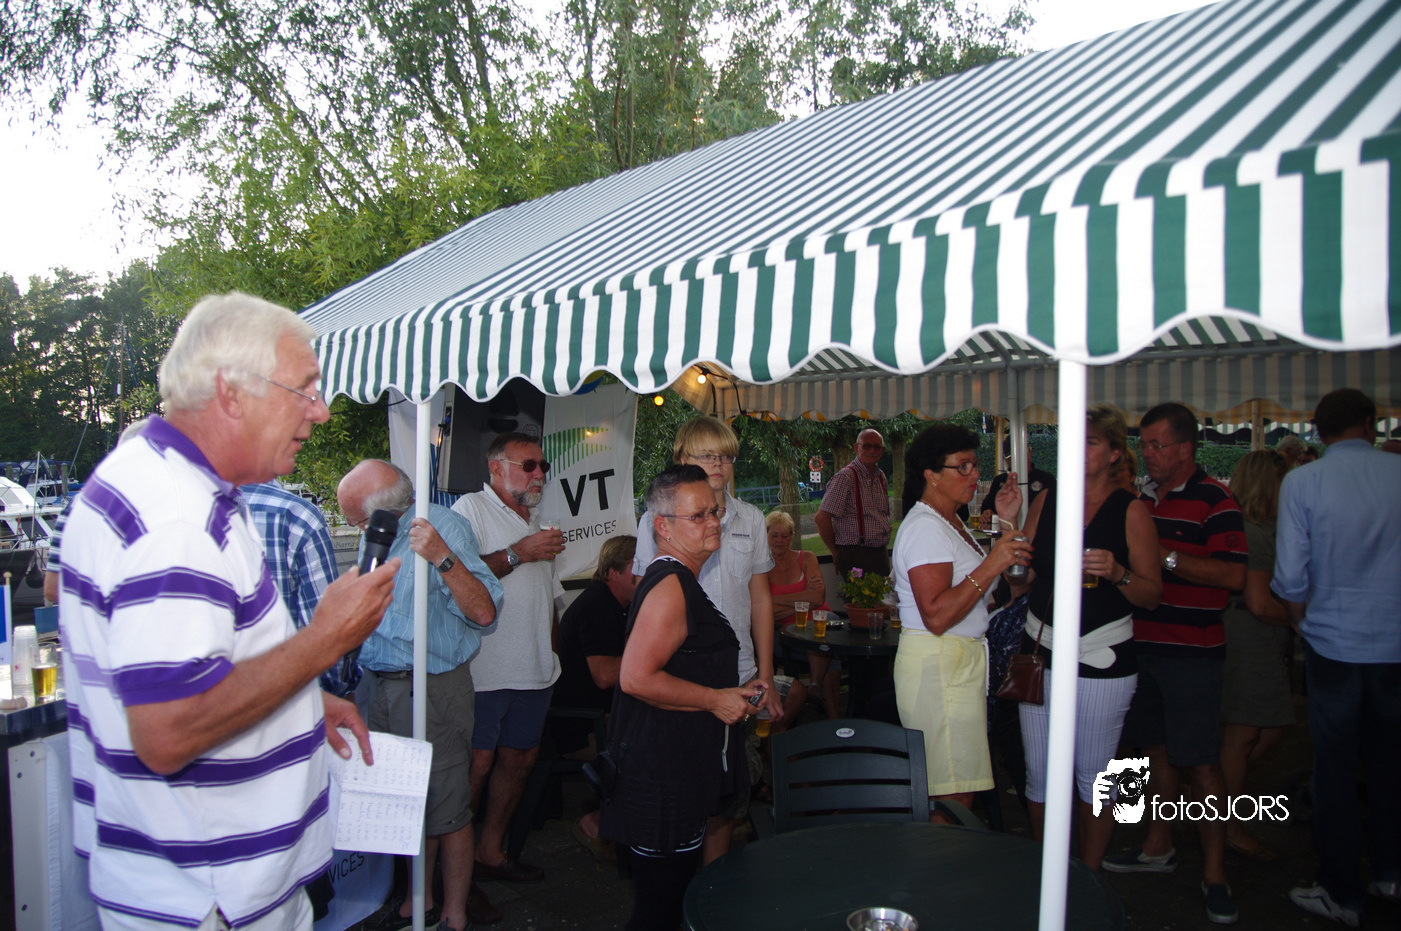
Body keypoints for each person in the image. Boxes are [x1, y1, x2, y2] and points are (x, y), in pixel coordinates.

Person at [58, 292, 400, 930]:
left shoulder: (164, 482)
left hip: (197, 886)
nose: (321, 411)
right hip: (211, 901)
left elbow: (191, 674)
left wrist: (298, 701)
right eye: (303, 389)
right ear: (232, 393)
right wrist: (322, 643)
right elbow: (169, 731)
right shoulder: (177, 517)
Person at [339, 459, 504, 931]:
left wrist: (441, 557)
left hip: (431, 688)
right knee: (404, 803)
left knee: (447, 807)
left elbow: (484, 612)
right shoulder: (379, 535)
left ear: (388, 510)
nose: (358, 530)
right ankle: (418, 903)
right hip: (381, 684)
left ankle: (454, 915)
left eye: (359, 521)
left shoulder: (442, 528)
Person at [599, 466, 762, 931]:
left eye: (714, 511)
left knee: (666, 903)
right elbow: (635, 678)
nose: (712, 522)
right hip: (661, 778)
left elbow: (678, 668)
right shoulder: (670, 587)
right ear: (663, 526)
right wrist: (715, 699)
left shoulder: (679, 580)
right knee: (660, 911)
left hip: (677, 768)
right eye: (697, 516)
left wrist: (729, 692)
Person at [1103, 402, 1247, 927]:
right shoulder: (1140, 501)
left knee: (1202, 763)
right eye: (1143, 444)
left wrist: (1161, 555)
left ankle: (1215, 873)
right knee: (1152, 752)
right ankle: (1156, 846)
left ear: (1186, 448)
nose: (1147, 454)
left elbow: (1234, 577)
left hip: (1192, 653)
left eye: (1156, 444)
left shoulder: (1217, 501)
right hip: (1139, 647)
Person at [1272, 389, 1401, 926]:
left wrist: (1300, 620)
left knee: (1335, 768)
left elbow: (1289, 575)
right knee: (1390, 762)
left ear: (1318, 431)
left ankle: (1342, 890)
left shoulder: (1305, 480)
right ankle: (1390, 871)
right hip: (1394, 642)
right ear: (1369, 424)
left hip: (1332, 642)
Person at [1015, 404, 1162, 870]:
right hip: (1041, 650)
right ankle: (1048, 872)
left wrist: (1118, 573)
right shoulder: (1047, 501)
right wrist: (1011, 535)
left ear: (1115, 453)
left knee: (1097, 777)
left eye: (1091, 441)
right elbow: (1023, 578)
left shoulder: (1131, 511)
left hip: (1103, 656)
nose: (1077, 450)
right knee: (1039, 775)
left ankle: (1090, 876)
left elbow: (1151, 595)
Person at [632, 416, 778, 863]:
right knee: (681, 792)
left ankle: (712, 885)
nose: (719, 464)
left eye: (727, 456)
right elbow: (644, 596)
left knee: (728, 798)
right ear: (682, 459)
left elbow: (760, 600)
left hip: (739, 675)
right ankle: (677, 877)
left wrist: (767, 674)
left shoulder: (751, 519)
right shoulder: (657, 521)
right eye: (707, 455)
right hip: (681, 679)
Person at [451, 432, 566, 890]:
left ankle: (490, 853)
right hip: (484, 668)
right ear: (496, 468)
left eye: (542, 466)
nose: (539, 474)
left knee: (519, 761)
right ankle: (452, 878)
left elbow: (550, 598)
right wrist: (520, 553)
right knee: (476, 766)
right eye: (528, 465)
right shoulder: (470, 509)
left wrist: (552, 655)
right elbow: (456, 576)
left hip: (533, 671)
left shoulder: (537, 519)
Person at [891, 424, 1025, 817]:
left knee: (958, 788)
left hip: (955, 665)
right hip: (939, 667)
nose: (975, 475)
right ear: (931, 475)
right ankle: (937, 858)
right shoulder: (925, 528)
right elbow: (936, 614)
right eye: (962, 467)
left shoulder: (951, 521)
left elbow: (994, 587)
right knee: (951, 796)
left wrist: (1006, 521)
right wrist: (992, 563)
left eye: (975, 465)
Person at [1215, 449, 1294, 863]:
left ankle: (1210, 803)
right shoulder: (1258, 533)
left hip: (1241, 631)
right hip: (1251, 635)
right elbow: (1260, 603)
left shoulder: (1240, 525)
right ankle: (1224, 824)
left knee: (1252, 733)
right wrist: (1304, 620)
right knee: (1245, 735)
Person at [554, 535, 637, 857]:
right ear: (613, 572)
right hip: (582, 727)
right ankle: (596, 823)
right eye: (637, 568)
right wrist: (653, 658)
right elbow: (604, 676)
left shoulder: (617, 606)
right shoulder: (597, 606)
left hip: (602, 717)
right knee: (654, 744)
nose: (644, 575)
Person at [243, 479, 355, 695]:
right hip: (286, 694)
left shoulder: (182, 508)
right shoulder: (295, 515)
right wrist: (341, 686)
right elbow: (323, 627)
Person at [765, 509, 827, 718]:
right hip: (784, 631)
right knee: (827, 652)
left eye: (785, 535)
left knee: (822, 635)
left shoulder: (806, 557)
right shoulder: (761, 567)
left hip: (818, 620)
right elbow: (765, 612)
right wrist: (803, 600)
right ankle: (824, 706)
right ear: (766, 536)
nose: (780, 541)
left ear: (792, 536)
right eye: (774, 535)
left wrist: (774, 600)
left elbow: (818, 598)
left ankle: (822, 700)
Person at [815, 428, 892, 577]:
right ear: (856, 448)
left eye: (877, 447)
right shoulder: (846, 477)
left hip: (880, 554)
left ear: (882, 451)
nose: (872, 450)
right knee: (862, 594)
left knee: (884, 593)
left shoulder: (880, 477)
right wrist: (835, 552)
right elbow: (821, 518)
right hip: (855, 555)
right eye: (867, 446)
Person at [979, 445, 1056, 529]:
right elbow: (987, 507)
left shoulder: (1046, 479)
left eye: (1021, 454)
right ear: (1006, 460)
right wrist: (987, 513)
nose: (1018, 459)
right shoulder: (1000, 481)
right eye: (1011, 458)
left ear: (1029, 452)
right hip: (1007, 531)